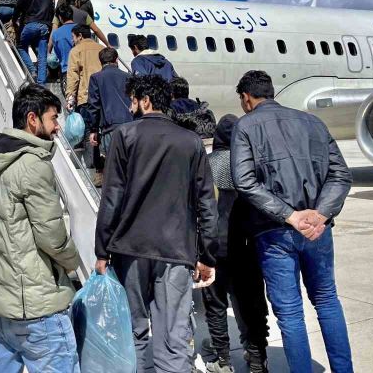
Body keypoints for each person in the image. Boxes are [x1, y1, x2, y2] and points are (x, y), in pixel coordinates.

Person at [231, 70, 353, 373]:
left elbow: (244, 182)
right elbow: (341, 175)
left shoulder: (246, 125)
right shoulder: (312, 122)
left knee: (290, 314)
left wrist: (291, 215)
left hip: (275, 231)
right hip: (317, 230)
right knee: (327, 301)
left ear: (246, 98)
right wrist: (320, 214)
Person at [94, 75, 218, 373]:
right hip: (176, 252)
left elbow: (111, 197)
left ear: (146, 101)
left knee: (132, 332)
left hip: (130, 249)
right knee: (174, 337)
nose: (131, 107)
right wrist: (206, 254)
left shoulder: (124, 136)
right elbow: (206, 203)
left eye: (133, 100)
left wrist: (102, 250)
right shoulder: (191, 141)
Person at [0, 84, 80, 372]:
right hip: (35, 306)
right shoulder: (31, 164)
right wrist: (74, 264)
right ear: (33, 119)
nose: (57, 127)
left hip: (1, 306)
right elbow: (52, 237)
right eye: (53, 118)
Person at [202, 114, 269, 373]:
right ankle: (257, 358)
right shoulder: (249, 165)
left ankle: (222, 360)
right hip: (246, 245)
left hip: (213, 246)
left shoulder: (206, 164)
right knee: (252, 303)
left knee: (215, 304)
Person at [85, 48, 133, 187]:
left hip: (110, 128)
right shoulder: (128, 77)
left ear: (101, 61)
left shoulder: (96, 78)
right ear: (116, 60)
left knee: (112, 165)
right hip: (131, 126)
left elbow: (94, 106)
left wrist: (93, 130)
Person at [66, 25, 103, 166]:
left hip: (85, 97)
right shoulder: (101, 49)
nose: (73, 40)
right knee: (100, 130)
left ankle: (91, 165)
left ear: (80, 36)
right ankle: (100, 164)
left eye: (73, 37)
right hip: (102, 98)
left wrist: (70, 97)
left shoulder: (76, 51)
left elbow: (73, 76)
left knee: (88, 131)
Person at [13, 0, 54, 84]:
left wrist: (14, 20)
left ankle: (32, 70)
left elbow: (18, 6)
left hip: (30, 24)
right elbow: (51, 10)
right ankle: (41, 83)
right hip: (44, 26)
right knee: (42, 56)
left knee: (21, 47)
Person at [50, 4, 77, 96]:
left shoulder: (56, 34)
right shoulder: (82, 29)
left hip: (67, 71)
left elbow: (58, 55)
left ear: (60, 18)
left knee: (69, 99)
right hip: (83, 70)